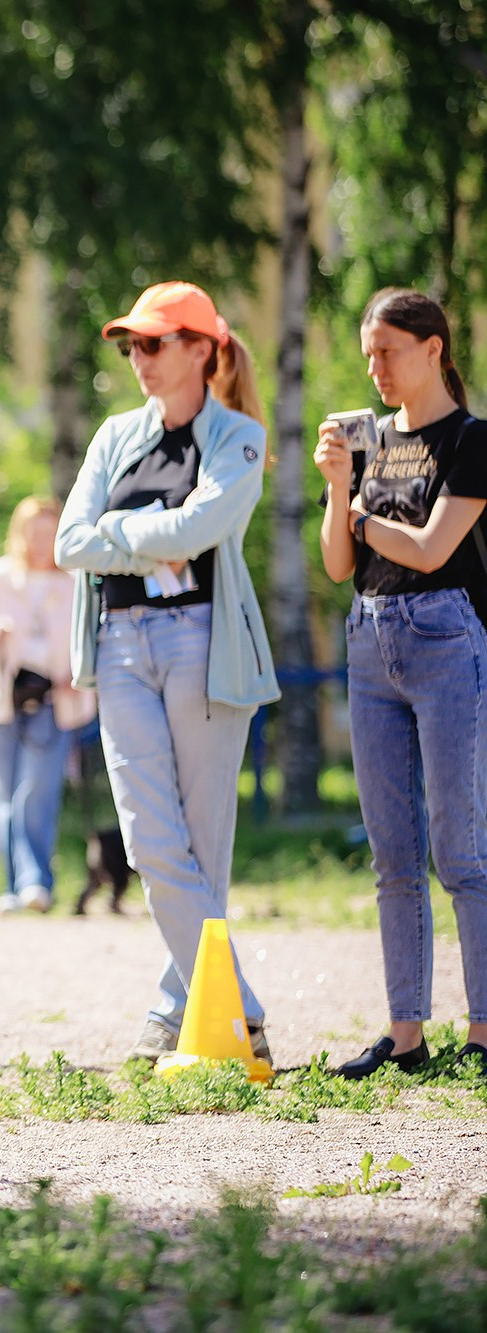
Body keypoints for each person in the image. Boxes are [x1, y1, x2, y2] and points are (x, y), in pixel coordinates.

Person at [54, 281, 279, 1068]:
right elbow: (69, 543)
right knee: (153, 844)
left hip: (201, 641)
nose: (138, 358)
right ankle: (240, 1016)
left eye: (153, 343)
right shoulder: (116, 435)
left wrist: (120, 530)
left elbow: (206, 527)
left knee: (200, 851)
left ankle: (170, 1012)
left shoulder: (240, 438)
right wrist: (151, 537)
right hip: (118, 645)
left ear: (201, 350)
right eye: (131, 346)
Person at [314, 288, 487, 1080]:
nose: (374, 367)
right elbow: (338, 566)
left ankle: (482, 1032)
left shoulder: (473, 440)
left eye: (387, 351)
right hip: (369, 633)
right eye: (367, 353)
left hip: (447, 637)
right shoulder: (371, 440)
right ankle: (406, 1034)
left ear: (433, 348)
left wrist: (356, 513)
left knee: (463, 847)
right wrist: (337, 488)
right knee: (393, 852)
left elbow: (428, 547)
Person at [0, 496, 95, 914]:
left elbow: (92, 637)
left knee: (37, 790)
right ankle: (12, 887)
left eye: (49, 533)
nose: (41, 542)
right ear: (19, 535)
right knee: (3, 795)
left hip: (54, 699)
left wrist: (80, 674)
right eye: (34, 533)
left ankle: (37, 882)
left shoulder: (74, 581)